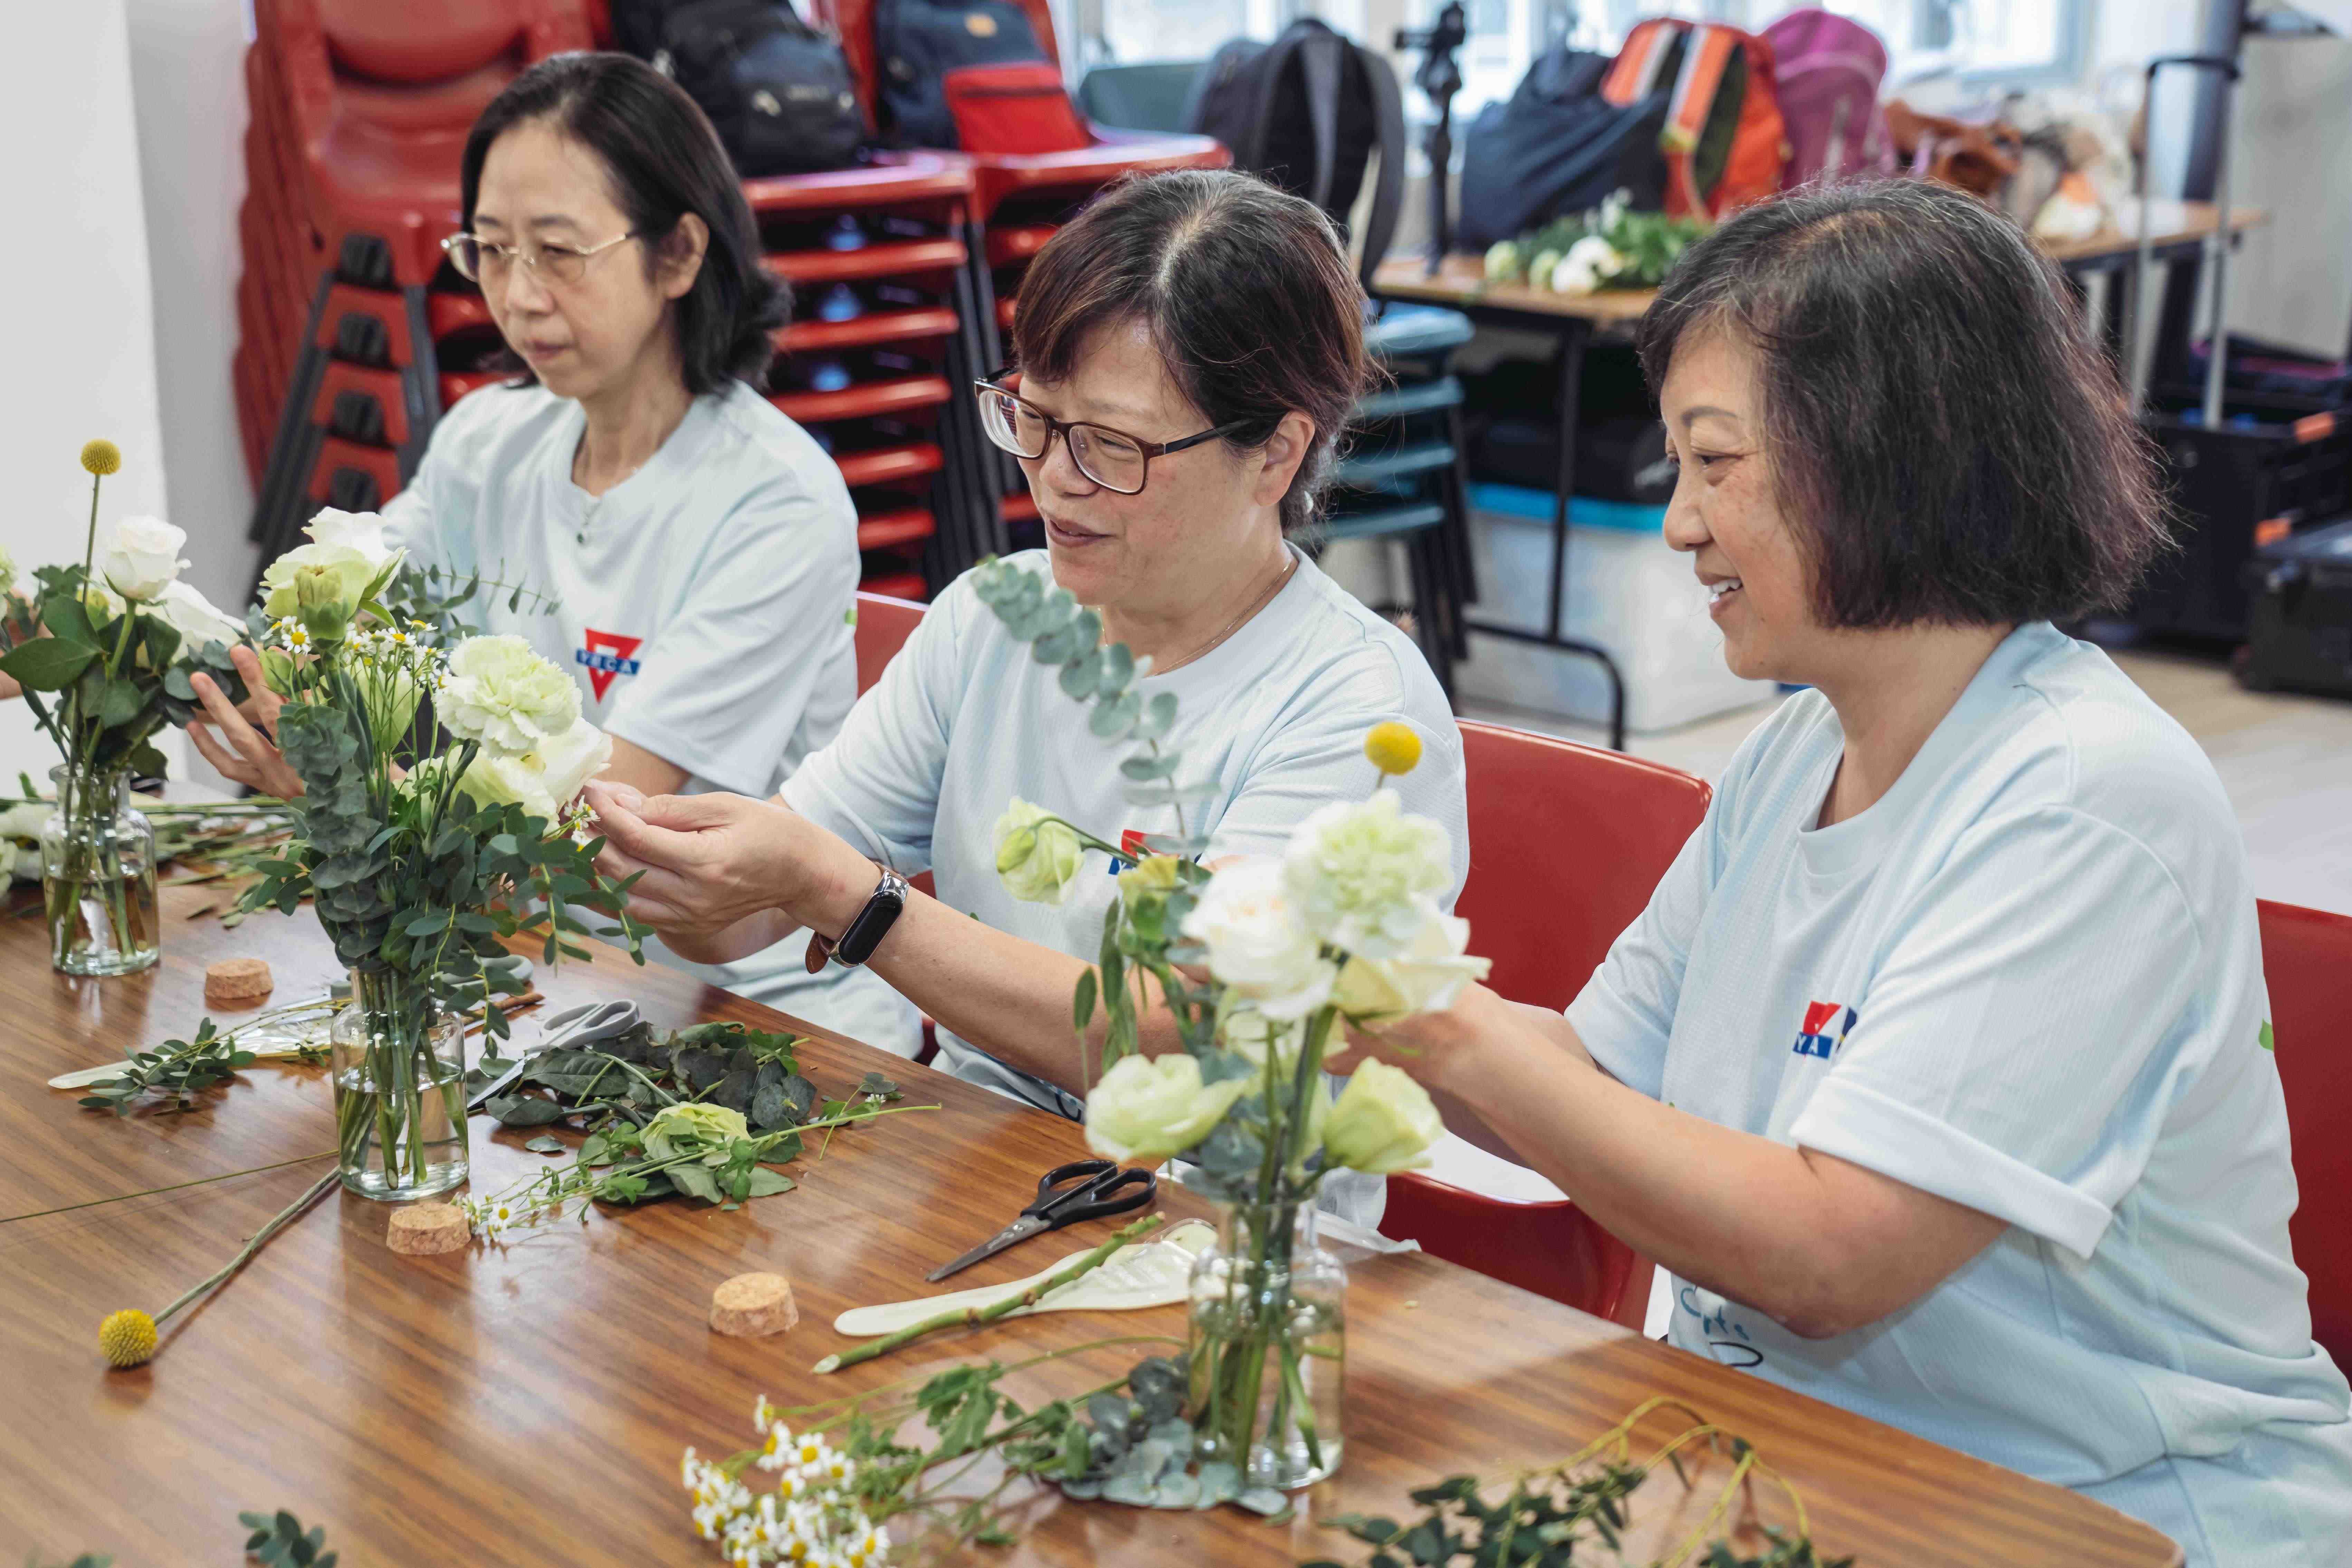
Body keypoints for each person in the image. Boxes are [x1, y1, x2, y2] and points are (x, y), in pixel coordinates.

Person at [1332, 180, 2352, 1564]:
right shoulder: (1791, 751)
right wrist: (1352, 999)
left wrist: (1445, 1029)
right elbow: (1589, 1075)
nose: (1679, 523)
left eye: (1713, 462)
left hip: (2098, 1515)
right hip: (1803, 1467)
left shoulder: (2081, 796)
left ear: (1886, 454)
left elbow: (1827, 1259)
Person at [584, 170, 1468, 1222]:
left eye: (1112, 446)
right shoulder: (995, 616)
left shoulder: (1355, 711)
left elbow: (1160, 1032)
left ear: (1274, 451)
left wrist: (853, 900)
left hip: (1221, 1237)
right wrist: (682, 878)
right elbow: (767, 898)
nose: (1052, 479)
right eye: (1034, 420)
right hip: (977, 1162)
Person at [183, 54, 911, 1051]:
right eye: (487, 250)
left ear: (679, 254)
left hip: (741, 1012)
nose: (517, 298)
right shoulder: (488, 440)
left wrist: (346, 786)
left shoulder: (773, 502)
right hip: (523, 963)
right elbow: (327, 627)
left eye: (559, 252)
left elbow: (605, 821)